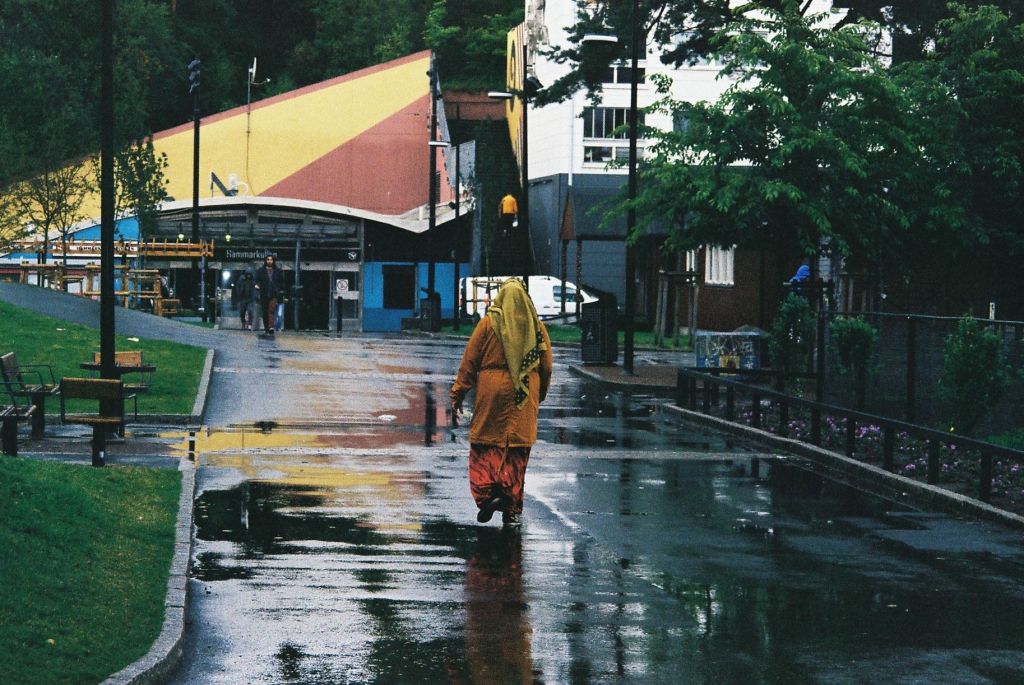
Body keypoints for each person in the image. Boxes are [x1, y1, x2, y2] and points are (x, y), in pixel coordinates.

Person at [450, 278, 553, 526]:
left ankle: (487, 497)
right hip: (524, 396)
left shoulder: (488, 324)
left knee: (485, 448)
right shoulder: (536, 326)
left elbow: (470, 362)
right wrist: (539, 395)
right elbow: (546, 366)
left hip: (491, 395)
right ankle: (511, 510)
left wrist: (458, 394)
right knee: (516, 454)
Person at [253, 254, 284, 335]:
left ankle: (270, 327)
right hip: (263, 293)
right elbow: (255, 279)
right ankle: (267, 327)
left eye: (271, 260)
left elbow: (281, 281)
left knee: (271, 310)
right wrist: (255, 284)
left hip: (273, 294)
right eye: (268, 260)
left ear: (273, 261)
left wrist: (280, 289)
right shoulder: (261, 270)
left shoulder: (277, 271)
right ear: (265, 261)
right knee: (264, 311)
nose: (269, 261)